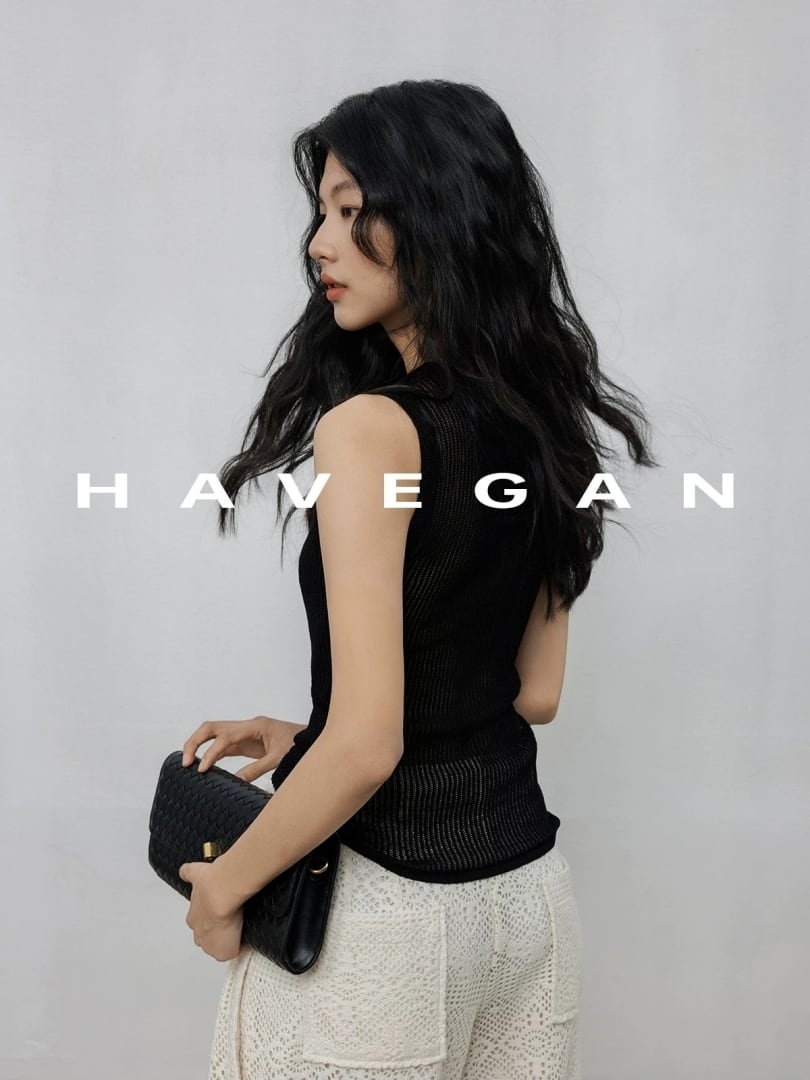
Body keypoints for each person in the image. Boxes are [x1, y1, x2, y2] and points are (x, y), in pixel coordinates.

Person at [177, 78, 658, 1080]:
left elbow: (369, 745)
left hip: (381, 926)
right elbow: (533, 692)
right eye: (321, 212)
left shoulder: (370, 431)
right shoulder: (546, 428)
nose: (320, 244)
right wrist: (310, 735)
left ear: (438, 216)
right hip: (527, 910)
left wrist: (225, 891)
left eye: (351, 209)